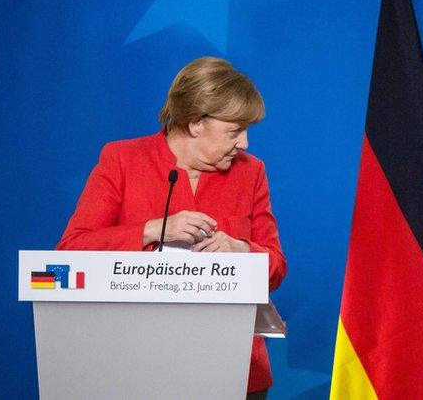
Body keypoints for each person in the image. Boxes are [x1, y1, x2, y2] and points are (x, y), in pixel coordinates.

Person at [57, 56, 287, 398]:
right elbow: (71, 252)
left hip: (234, 368)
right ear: (196, 123)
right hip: (137, 365)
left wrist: (243, 250)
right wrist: (150, 230)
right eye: (235, 131)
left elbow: (276, 267)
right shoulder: (122, 160)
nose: (245, 144)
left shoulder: (251, 171)